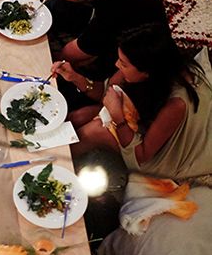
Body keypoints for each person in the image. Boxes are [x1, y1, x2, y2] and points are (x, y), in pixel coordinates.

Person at [54, 24, 212, 179]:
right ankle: (46, 148)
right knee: (78, 116)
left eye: (123, 64)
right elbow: (107, 91)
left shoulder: (176, 104)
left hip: (161, 158)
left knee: (96, 131)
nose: (117, 65)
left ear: (146, 73)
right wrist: (76, 77)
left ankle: (51, 165)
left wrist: (118, 118)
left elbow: (142, 156)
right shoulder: (141, 64)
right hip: (144, 119)